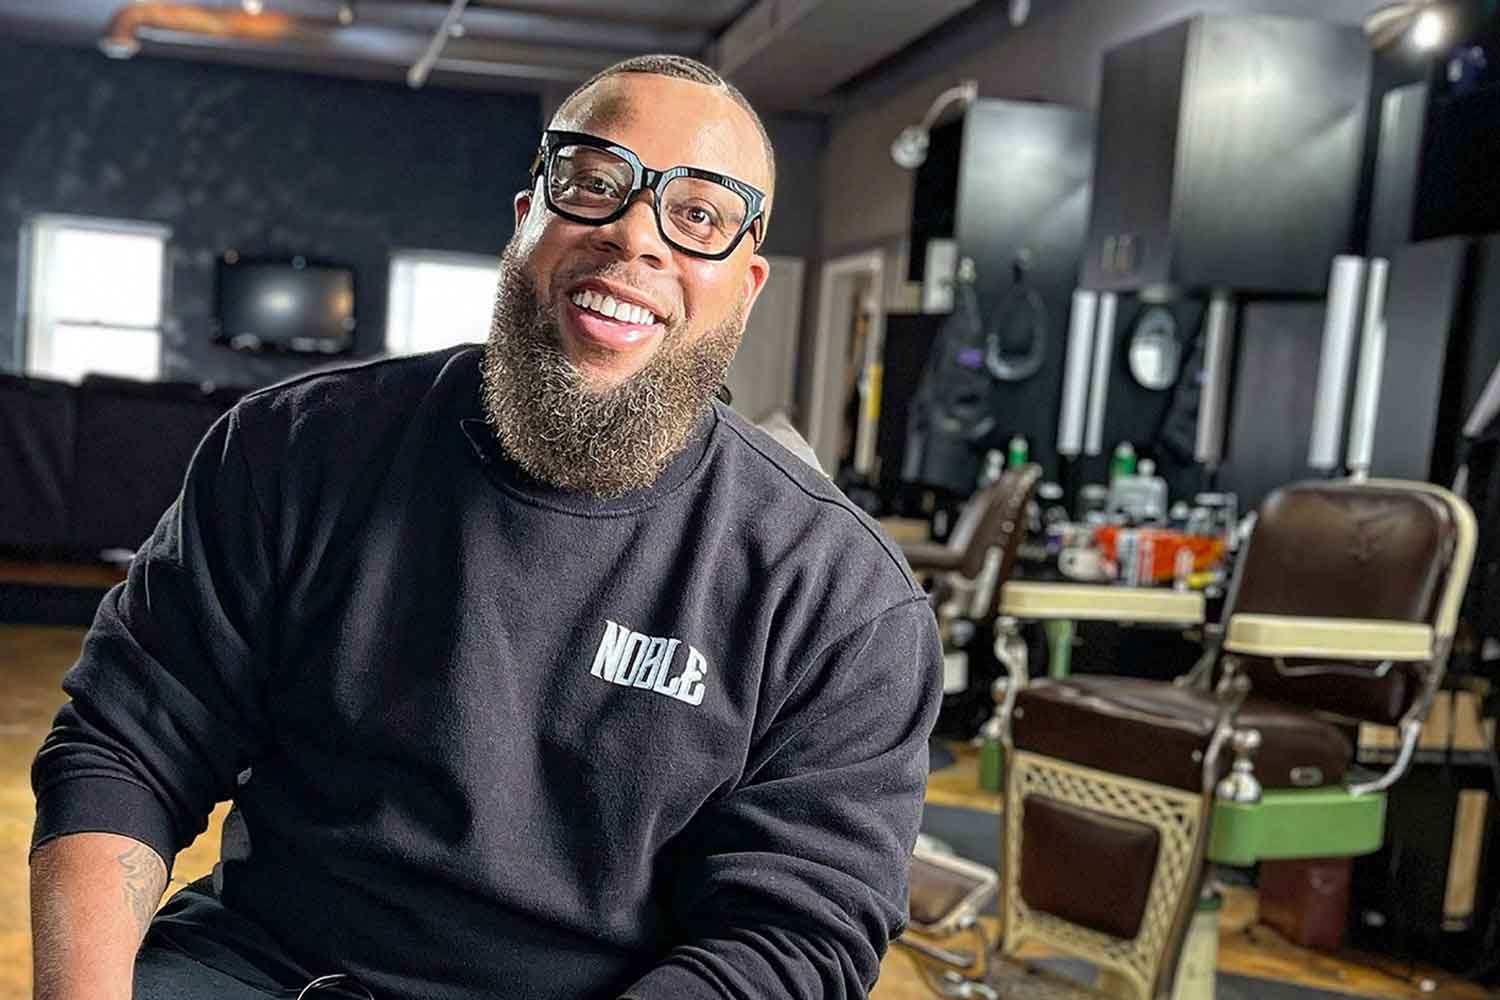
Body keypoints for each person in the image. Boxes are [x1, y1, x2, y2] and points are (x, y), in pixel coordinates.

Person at [30, 54, 942, 1000]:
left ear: (747, 287)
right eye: (594, 184)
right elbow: (127, 748)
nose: (635, 235)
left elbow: (797, 932)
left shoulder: (839, 597)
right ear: (525, 223)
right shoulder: (292, 450)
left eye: (698, 214)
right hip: (263, 969)